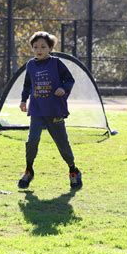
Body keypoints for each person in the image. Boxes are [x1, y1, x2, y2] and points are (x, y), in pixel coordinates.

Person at [18, 31, 82, 190]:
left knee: (62, 143)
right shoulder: (30, 65)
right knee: (32, 140)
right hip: (37, 110)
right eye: (35, 47)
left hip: (54, 110)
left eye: (43, 46)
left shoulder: (56, 63)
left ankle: (73, 170)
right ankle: (29, 170)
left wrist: (63, 88)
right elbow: (27, 85)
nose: (39, 49)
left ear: (50, 48)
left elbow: (69, 80)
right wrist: (23, 100)